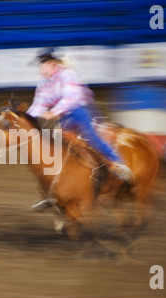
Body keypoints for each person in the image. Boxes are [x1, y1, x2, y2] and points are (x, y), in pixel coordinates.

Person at [27, 48, 134, 212]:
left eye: (41, 66)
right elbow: (38, 104)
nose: (39, 70)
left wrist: (53, 112)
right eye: (39, 67)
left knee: (91, 137)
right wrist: (25, 117)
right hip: (64, 117)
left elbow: (71, 98)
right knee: (57, 145)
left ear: (50, 64)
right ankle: (54, 190)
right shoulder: (43, 83)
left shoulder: (67, 74)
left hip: (79, 110)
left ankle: (117, 163)